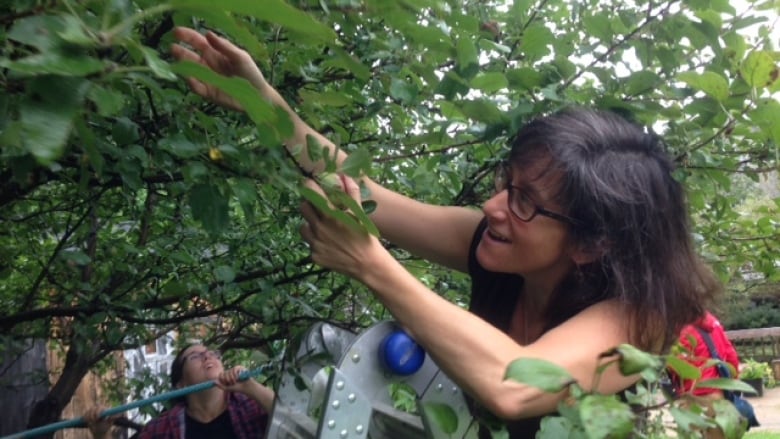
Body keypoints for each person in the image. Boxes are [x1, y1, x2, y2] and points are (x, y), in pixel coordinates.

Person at [171, 27, 720, 437]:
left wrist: (370, 264)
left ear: (592, 243)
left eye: (525, 201)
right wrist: (264, 103)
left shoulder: (641, 315)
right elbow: (369, 195)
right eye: (509, 182)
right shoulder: (498, 246)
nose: (493, 205)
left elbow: (517, 383)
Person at [86, 343, 274, 439]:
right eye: (195, 356)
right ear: (181, 384)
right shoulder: (164, 428)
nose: (207, 356)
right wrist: (101, 435)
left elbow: (294, 418)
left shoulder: (249, 405)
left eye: (211, 353)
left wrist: (252, 387)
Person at [672, 311, 740, 398]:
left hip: (694, 394)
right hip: (718, 390)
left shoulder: (682, 329)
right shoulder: (713, 322)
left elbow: (678, 366)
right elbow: (731, 355)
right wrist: (733, 381)